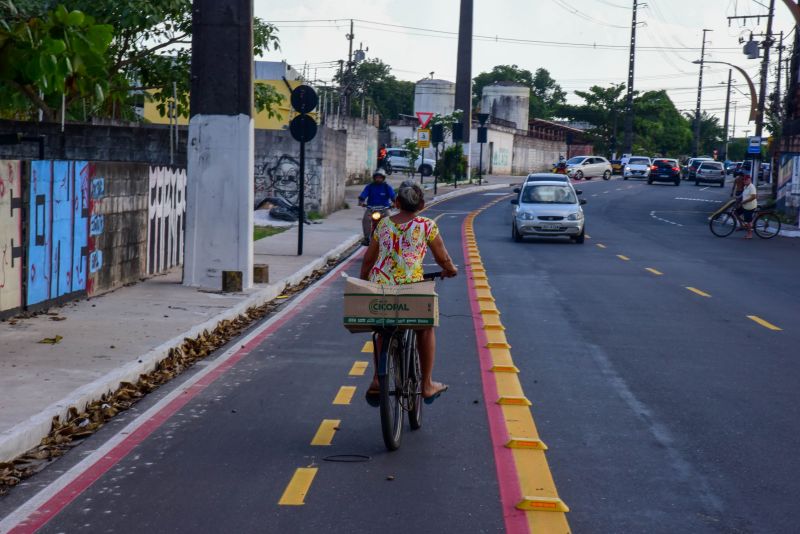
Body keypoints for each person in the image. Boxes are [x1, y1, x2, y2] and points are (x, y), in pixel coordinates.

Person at [359, 181, 458, 405]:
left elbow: (368, 261)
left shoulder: (383, 225)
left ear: (396, 203)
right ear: (421, 204)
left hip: (381, 288)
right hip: (412, 288)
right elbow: (443, 258)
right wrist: (450, 270)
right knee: (425, 328)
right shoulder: (427, 225)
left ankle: (376, 380)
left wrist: (364, 284)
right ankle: (427, 384)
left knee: (382, 330)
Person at [358, 169, 395, 246]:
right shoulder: (370, 186)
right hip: (371, 208)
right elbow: (363, 195)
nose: (378, 179)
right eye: (377, 177)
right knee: (365, 219)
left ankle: (391, 237)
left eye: (380, 177)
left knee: (390, 219)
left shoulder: (387, 187)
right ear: (374, 178)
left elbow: (393, 196)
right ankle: (366, 238)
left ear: (383, 178)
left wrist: (395, 202)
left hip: (384, 209)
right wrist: (361, 201)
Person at [738, 174, 757, 239]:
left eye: (746, 180)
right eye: (744, 179)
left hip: (750, 206)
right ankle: (742, 225)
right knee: (736, 212)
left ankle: (750, 234)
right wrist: (737, 197)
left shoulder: (752, 187)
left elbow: (754, 197)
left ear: (749, 180)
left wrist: (744, 201)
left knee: (748, 221)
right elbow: (743, 195)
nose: (745, 181)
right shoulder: (745, 187)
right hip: (744, 205)